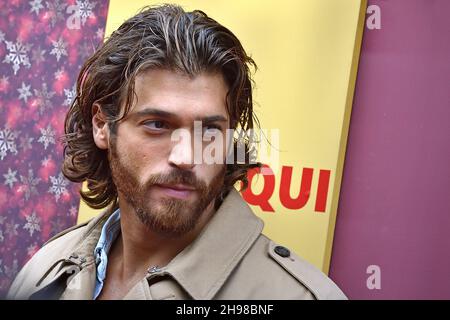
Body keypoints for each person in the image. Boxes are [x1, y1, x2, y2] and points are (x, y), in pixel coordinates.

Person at [7, 4, 346, 300]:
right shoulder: (45, 269)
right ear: (102, 126)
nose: (186, 157)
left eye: (210, 130)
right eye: (157, 124)